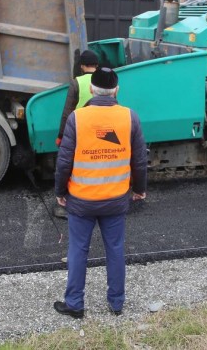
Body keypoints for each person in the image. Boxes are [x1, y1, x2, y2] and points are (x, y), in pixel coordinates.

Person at [53, 67, 147, 318]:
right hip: (116, 200)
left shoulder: (77, 118)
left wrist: (60, 191)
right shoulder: (130, 117)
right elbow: (139, 160)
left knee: (77, 250)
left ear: (92, 89)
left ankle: (74, 304)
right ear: (116, 90)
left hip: (81, 201)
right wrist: (139, 189)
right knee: (115, 249)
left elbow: (64, 162)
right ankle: (116, 304)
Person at [53, 49, 100, 218]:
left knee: (71, 167)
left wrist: (61, 135)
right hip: (100, 131)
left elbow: (67, 112)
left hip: (80, 130)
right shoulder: (104, 81)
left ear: (81, 66)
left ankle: (64, 204)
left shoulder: (76, 83)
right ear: (96, 65)